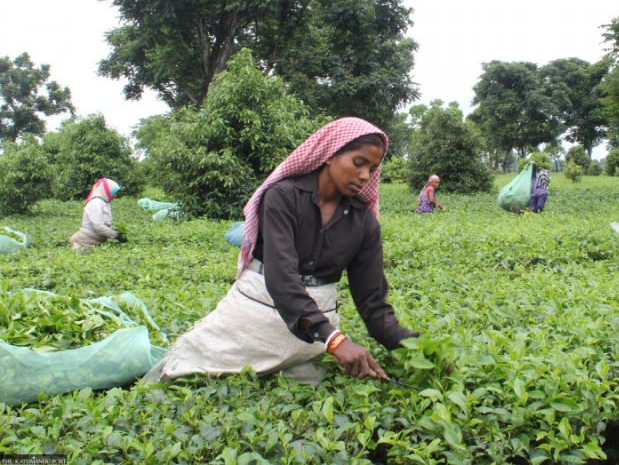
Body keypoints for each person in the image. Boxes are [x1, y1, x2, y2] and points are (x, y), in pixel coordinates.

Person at [147, 118, 417, 383]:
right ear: (329, 155)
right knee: (186, 370)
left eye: (372, 169)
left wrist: (418, 351)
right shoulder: (283, 196)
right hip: (257, 313)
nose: (364, 176)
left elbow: (372, 302)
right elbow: (281, 274)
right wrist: (335, 340)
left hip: (314, 331)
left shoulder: (363, 222)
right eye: (358, 163)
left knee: (306, 379)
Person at [69, 178, 125, 249]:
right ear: (106, 191)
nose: (115, 195)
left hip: (96, 241)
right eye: (113, 193)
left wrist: (117, 232)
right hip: (83, 242)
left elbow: (106, 224)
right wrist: (116, 235)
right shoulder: (95, 202)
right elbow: (98, 226)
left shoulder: (104, 202)